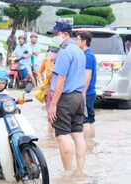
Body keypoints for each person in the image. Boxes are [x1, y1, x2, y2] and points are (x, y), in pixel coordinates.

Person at [47, 21, 87, 171]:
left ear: (65, 34)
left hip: (66, 98)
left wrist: (53, 104)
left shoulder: (64, 51)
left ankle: (68, 173)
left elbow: (61, 79)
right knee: (78, 135)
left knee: (62, 135)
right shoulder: (79, 51)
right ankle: (80, 171)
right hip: (79, 97)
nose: (55, 37)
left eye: (56, 34)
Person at [75, 32, 97, 138]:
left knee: (85, 120)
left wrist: (83, 92)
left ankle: (87, 145)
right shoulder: (89, 54)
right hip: (90, 92)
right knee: (90, 119)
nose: (76, 41)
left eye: (78, 39)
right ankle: (91, 144)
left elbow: (87, 76)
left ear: (84, 41)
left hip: (87, 92)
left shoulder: (87, 56)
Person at [37, 42, 60, 134]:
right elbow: (39, 73)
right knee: (50, 116)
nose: (52, 53)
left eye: (55, 51)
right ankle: (50, 138)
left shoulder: (61, 61)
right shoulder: (46, 60)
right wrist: (41, 82)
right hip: (48, 91)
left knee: (59, 116)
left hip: (59, 91)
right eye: (51, 51)